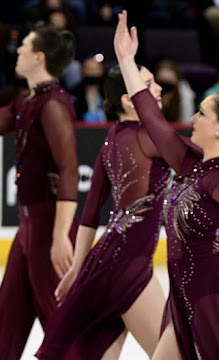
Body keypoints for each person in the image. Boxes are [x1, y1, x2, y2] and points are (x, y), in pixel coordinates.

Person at [114, 11, 219, 360]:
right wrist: (126, 60)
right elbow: (151, 118)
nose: (193, 118)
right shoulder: (188, 162)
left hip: (216, 302)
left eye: (201, 113)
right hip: (182, 300)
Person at [36, 64, 170, 359]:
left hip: (108, 261)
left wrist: (78, 268)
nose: (158, 89)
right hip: (128, 266)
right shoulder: (149, 137)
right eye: (149, 83)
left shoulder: (113, 137)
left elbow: (91, 212)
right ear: (128, 97)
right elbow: (208, 153)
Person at [0, 24, 78, 360]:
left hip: (49, 229)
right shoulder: (29, 101)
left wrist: (61, 235)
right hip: (29, 227)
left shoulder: (53, 106)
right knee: (7, 319)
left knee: (58, 324)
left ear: (39, 57)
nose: (17, 50)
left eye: (24, 46)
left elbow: (69, 170)